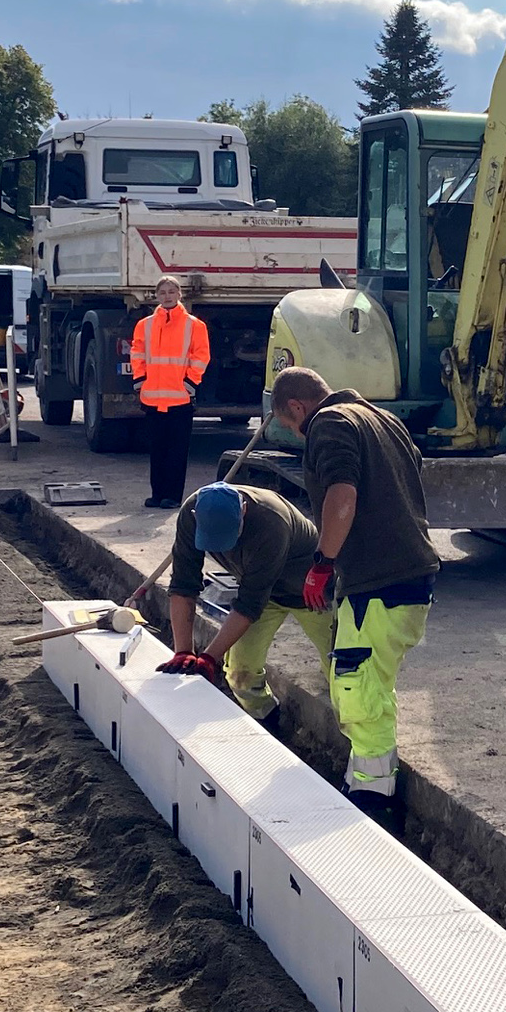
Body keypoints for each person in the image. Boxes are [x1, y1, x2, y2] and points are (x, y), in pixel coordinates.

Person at [268, 366, 439, 830]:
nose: (295, 433)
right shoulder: (381, 419)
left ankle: (372, 793)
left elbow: (342, 493)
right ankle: (368, 775)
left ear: (299, 408)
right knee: (374, 680)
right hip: (411, 573)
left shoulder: (330, 424)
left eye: (289, 424)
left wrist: (322, 563)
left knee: (357, 686)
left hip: (377, 580)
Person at [158, 481, 335, 733]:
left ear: (243, 510)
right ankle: (270, 724)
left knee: (344, 674)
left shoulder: (272, 522)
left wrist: (208, 658)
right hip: (262, 591)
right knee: (240, 673)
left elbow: (250, 604)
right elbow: (183, 586)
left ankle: (350, 743)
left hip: (310, 593)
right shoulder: (190, 513)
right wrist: (183, 652)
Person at [132, 277, 209, 508]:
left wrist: (190, 382)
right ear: (156, 296)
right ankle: (157, 495)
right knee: (157, 449)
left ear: (179, 294)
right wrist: (139, 379)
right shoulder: (145, 324)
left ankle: (173, 497)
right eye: (162, 292)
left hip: (180, 397)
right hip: (153, 397)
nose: (167, 296)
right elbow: (137, 353)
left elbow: (201, 355)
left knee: (177, 450)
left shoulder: (194, 325)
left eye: (171, 291)